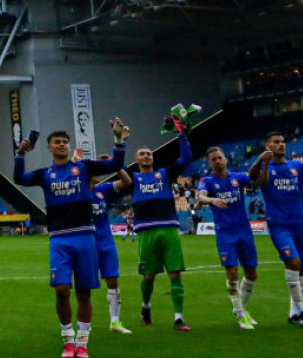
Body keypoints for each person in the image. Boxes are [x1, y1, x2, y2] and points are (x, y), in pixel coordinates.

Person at [14, 122, 127, 358]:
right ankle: (67, 338)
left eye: (65, 142)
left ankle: (83, 342)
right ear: (49, 147)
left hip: (85, 236)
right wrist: (20, 154)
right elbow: (19, 179)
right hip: (59, 239)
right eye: (57, 142)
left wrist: (118, 141)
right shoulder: (45, 174)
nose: (62, 145)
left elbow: (115, 164)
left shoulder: (83, 167)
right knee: (62, 289)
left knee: (84, 293)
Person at [127, 125, 192, 330]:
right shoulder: (133, 179)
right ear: (136, 160)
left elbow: (185, 160)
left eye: (149, 154)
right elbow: (115, 166)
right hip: (146, 232)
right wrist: (122, 141)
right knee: (149, 276)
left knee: (175, 273)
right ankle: (145, 306)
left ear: (152, 158)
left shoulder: (164, 174)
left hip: (169, 229)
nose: (146, 156)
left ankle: (178, 318)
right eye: (142, 154)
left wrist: (181, 135)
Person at [198, 147, 258, 329]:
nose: (217, 161)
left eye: (219, 157)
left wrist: (261, 161)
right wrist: (212, 200)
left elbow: (255, 178)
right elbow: (200, 198)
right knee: (232, 273)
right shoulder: (206, 181)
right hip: (225, 234)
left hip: (244, 232)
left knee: (252, 275)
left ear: (225, 159)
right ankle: (240, 314)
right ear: (210, 163)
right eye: (213, 159)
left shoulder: (238, 178)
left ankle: (240, 308)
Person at [247, 132, 303, 324]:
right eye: (276, 142)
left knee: (301, 269)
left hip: (300, 224)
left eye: (282, 141)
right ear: (267, 146)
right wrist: (260, 162)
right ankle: (302, 310)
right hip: (279, 226)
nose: (281, 145)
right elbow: (254, 179)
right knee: (293, 263)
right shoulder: (265, 169)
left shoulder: (297, 167)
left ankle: (293, 313)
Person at [91, 160, 135, 333]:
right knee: (85, 285)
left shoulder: (102, 190)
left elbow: (127, 182)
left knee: (113, 280)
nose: (98, 173)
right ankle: (83, 325)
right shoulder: (76, 192)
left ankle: (115, 322)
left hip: (106, 241)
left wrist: (115, 164)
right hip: (87, 242)